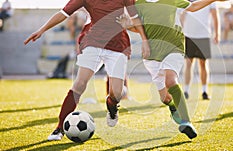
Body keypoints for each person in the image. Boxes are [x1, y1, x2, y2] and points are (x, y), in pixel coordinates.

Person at [24, 0, 150, 141]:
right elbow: (63, 13)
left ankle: (112, 106)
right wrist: (42, 30)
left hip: (118, 46)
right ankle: (59, 128)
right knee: (79, 84)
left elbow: (135, 18)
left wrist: (144, 41)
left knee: (117, 93)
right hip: (93, 42)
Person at [118, 0, 227, 139]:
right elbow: (138, 26)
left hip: (173, 46)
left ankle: (187, 121)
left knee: (171, 80)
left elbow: (193, 7)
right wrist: (127, 26)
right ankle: (172, 105)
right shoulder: (138, 3)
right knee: (165, 98)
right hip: (152, 53)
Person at [181, 1, 220, 100]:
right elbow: (182, 14)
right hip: (188, 35)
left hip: (204, 35)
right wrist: (180, 30)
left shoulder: (210, 2)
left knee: (203, 63)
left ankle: (204, 91)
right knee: (188, 63)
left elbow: (215, 16)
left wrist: (217, 33)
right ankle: (185, 91)